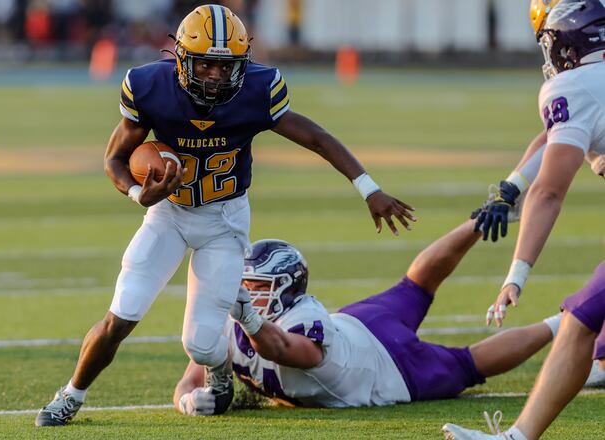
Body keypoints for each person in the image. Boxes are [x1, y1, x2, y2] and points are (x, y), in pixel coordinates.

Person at [35, 4, 414, 426]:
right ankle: (71, 394)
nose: (215, 76)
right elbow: (114, 159)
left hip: (224, 222)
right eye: (205, 65)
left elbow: (317, 138)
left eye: (225, 67)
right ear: (180, 58)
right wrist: (140, 193)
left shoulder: (257, 89)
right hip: (169, 214)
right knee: (121, 314)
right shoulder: (149, 87)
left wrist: (369, 188)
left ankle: (218, 372)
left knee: (199, 343)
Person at [173, 219, 594, 414]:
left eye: (257, 286)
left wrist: (247, 317)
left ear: (286, 287)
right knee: (416, 284)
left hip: (386, 369)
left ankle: (569, 321)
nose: (245, 292)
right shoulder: (239, 317)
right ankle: (484, 218)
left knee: (469, 364)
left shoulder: (301, 320)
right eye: (243, 284)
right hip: (359, 322)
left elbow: (285, 349)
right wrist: (188, 400)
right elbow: (194, 371)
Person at [442, 1, 605, 438]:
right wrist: (511, 187)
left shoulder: (573, 86)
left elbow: (550, 190)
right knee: (588, 316)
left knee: (582, 319)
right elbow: (556, 135)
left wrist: (517, 273)